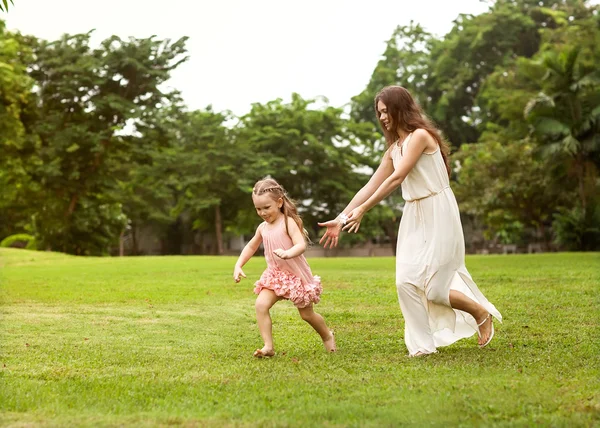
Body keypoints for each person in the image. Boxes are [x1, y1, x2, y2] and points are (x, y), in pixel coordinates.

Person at [318, 86, 502, 357]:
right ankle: (422, 347)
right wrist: (342, 217)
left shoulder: (420, 137)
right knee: (405, 281)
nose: (382, 117)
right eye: (378, 113)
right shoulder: (394, 149)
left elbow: (397, 178)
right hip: (413, 214)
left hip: (438, 210)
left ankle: (479, 312)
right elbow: (371, 185)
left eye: (385, 111)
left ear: (399, 109)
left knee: (435, 290)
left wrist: (364, 210)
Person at [234, 178, 337, 357]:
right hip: (276, 276)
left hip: (296, 276)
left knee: (307, 315)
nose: (262, 213)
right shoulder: (262, 228)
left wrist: (289, 253)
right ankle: (268, 346)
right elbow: (251, 246)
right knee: (261, 305)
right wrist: (238, 264)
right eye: (258, 209)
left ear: (279, 202)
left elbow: (301, 245)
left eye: (267, 207)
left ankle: (327, 336)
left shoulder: (288, 222)